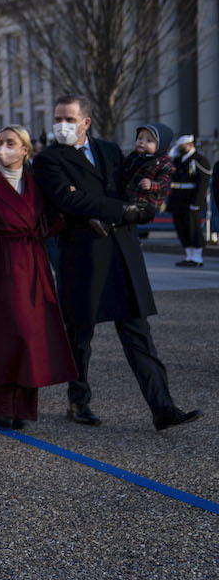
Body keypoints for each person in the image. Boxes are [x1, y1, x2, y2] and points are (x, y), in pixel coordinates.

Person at [33, 95, 200, 431]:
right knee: (79, 335)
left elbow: (134, 188)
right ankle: (79, 400)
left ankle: (162, 407)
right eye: (57, 118)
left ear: (85, 122)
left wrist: (144, 201)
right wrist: (123, 211)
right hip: (83, 255)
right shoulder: (49, 159)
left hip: (122, 253)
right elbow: (70, 199)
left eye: (68, 118)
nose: (60, 124)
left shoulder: (110, 150)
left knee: (139, 335)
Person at [0, 126, 77, 428]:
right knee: (3, 335)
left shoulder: (38, 185)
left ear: (25, 149)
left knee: (30, 335)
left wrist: (65, 215)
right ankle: (1, 405)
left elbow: (46, 224)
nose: (2, 149)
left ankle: (24, 407)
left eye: (10, 143)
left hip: (33, 262)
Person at [86, 123, 174, 238]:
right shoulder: (134, 157)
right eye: (140, 138)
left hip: (144, 205)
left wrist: (151, 184)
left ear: (160, 146)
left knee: (121, 209)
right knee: (113, 204)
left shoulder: (162, 165)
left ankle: (105, 224)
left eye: (149, 140)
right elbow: (123, 169)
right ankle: (107, 225)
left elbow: (163, 182)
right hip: (129, 197)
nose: (142, 142)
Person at [166, 135, 211, 267]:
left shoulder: (200, 160)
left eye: (182, 146)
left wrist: (196, 202)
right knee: (181, 229)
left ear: (190, 145)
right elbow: (169, 173)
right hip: (178, 199)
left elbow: (202, 183)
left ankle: (197, 258)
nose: (179, 149)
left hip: (191, 200)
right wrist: (170, 156)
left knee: (193, 229)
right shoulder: (178, 160)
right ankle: (188, 256)